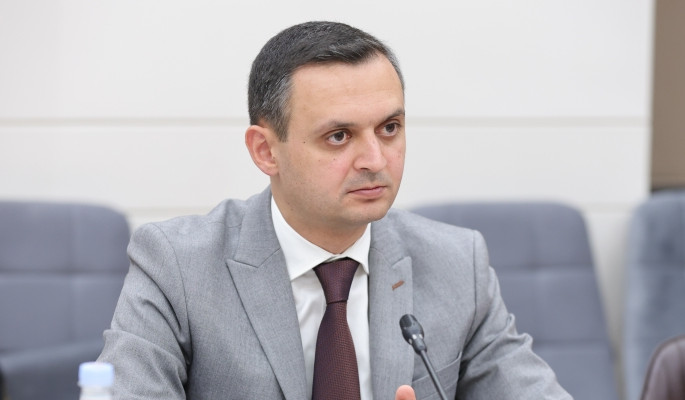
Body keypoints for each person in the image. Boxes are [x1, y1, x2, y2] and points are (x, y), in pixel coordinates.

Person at [98, 21, 571, 399]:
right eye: (339, 136)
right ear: (265, 151)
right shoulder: (178, 267)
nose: (375, 160)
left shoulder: (457, 263)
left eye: (389, 128)